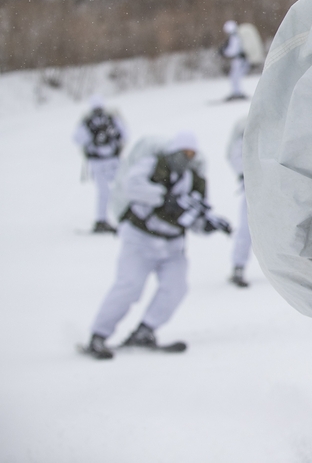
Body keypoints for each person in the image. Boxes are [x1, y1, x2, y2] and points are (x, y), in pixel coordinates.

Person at [81, 131, 231, 360]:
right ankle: (99, 335)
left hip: (172, 246)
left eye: (191, 154)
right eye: (184, 153)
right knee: (129, 287)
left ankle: (145, 330)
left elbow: (192, 217)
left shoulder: (192, 177)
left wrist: (209, 224)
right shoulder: (153, 164)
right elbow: (133, 186)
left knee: (176, 287)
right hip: (140, 240)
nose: (187, 158)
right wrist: (165, 198)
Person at [72, 95, 127, 233]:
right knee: (121, 188)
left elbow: (77, 139)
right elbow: (125, 135)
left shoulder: (87, 121)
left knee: (104, 192)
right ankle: (126, 218)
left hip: (97, 162)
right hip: (114, 160)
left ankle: (101, 221)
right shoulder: (112, 118)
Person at [226, 115, 252, 287]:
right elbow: (235, 157)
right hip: (252, 188)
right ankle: (238, 266)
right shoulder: (244, 127)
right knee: (246, 228)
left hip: (272, 187)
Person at [220, 20, 249, 101]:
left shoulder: (234, 38)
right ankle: (236, 92)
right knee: (234, 77)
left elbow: (233, 51)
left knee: (235, 77)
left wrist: (224, 52)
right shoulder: (236, 37)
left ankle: (237, 93)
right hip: (238, 60)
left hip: (238, 60)